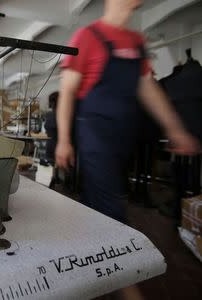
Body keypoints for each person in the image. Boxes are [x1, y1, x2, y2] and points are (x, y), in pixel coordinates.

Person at [55, 0, 200, 223]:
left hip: (122, 134)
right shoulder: (87, 37)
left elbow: (150, 91)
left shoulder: (136, 42)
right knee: (110, 205)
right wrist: (64, 140)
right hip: (95, 132)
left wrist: (176, 129)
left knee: (99, 197)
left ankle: (86, 241)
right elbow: (66, 93)